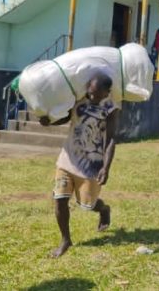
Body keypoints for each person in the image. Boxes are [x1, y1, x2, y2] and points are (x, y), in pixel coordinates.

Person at [39, 72, 118, 258]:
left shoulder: (111, 108)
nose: (91, 97)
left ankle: (104, 210)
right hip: (68, 158)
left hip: (92, 164)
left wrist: (106, 168)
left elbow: (111, 139)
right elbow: (65, 118)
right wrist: (48, 120)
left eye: (96, 94)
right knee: (59, 199)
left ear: (107, 92)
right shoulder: (78, 100)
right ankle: (65, 240)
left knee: (87, 205)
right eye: (89, 93)